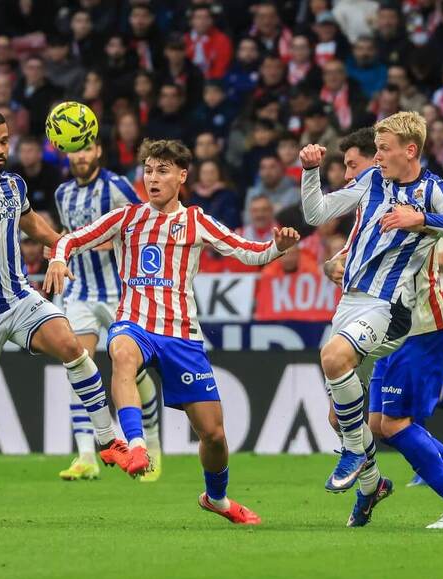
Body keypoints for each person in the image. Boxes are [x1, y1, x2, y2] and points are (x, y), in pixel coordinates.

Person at [46, 138, 300, 525]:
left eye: (162, 170)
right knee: (122, 354)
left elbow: (249, 252)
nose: (153, 177)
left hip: (182, 334)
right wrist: (60, 259)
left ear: (182, 176)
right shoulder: (126, 218)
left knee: (213, 435)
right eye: (148, 170)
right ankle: (135, 445)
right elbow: (70, 238)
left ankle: (216, 498)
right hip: (134, 321)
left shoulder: (197, 221)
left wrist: (276, 247)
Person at [0, 110, 133, 527]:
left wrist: (64, 248)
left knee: (71, 344)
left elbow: (35, 225)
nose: (0, 149)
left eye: (4, 141)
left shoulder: (15, 184)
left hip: (18, 298)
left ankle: (108, 439)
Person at [300, 111, 443, 528]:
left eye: (383, 150)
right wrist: (310, 172)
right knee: (344, 416)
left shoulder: (432, 190)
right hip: (353, 301)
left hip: (396, 310)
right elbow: (317, 214)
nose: (376, 158)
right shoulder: (373, 182)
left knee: (368, 395)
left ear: (410, 150)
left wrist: (421, 219)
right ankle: (371, 483)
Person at [52, 138, 163, 483]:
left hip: (119, 292)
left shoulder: (117, 187)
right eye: (75, 150)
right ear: (67, 153)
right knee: (77, 364)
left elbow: (145, 223)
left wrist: (104, 243)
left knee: (133, 370)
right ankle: (87, 455)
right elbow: (70, 236)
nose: (81, 156)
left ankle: (152, 447)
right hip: (81, 291)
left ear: (99, 151)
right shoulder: (62, 194)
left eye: (87, 149)